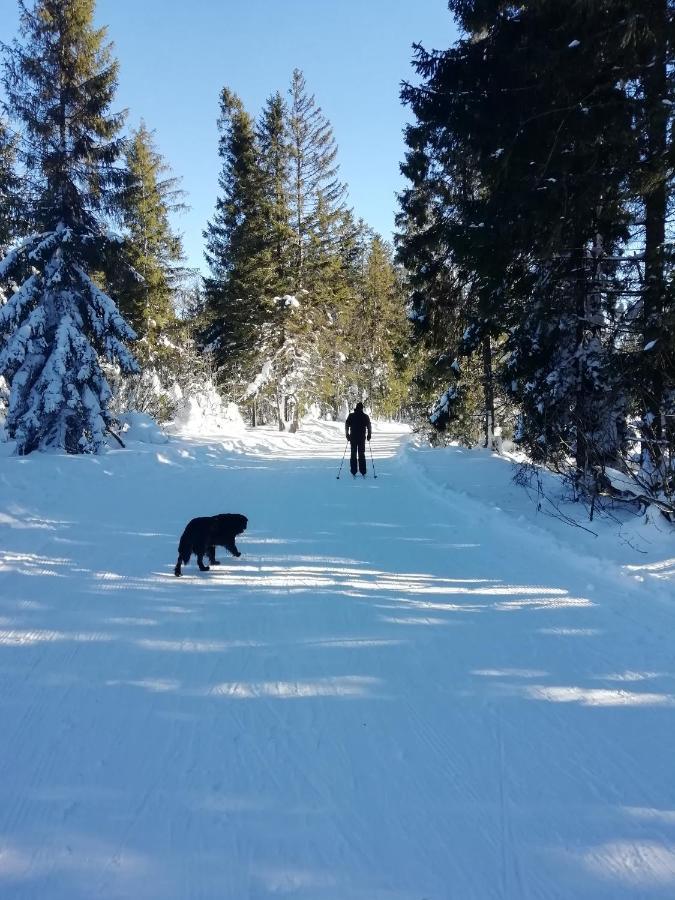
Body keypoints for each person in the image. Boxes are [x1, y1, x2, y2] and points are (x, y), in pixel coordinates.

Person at [345, 401, 372, 477]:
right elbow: (369, 426)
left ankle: (353, 471)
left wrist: (347, 434)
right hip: (361, 438)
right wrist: (369, 435)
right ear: (362, 408)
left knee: (353, 453)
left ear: (356, 408)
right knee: (361, 454)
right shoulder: (365, 416)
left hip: (353, 437)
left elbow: (347, 425)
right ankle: (363, 471)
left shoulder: (351, 415)